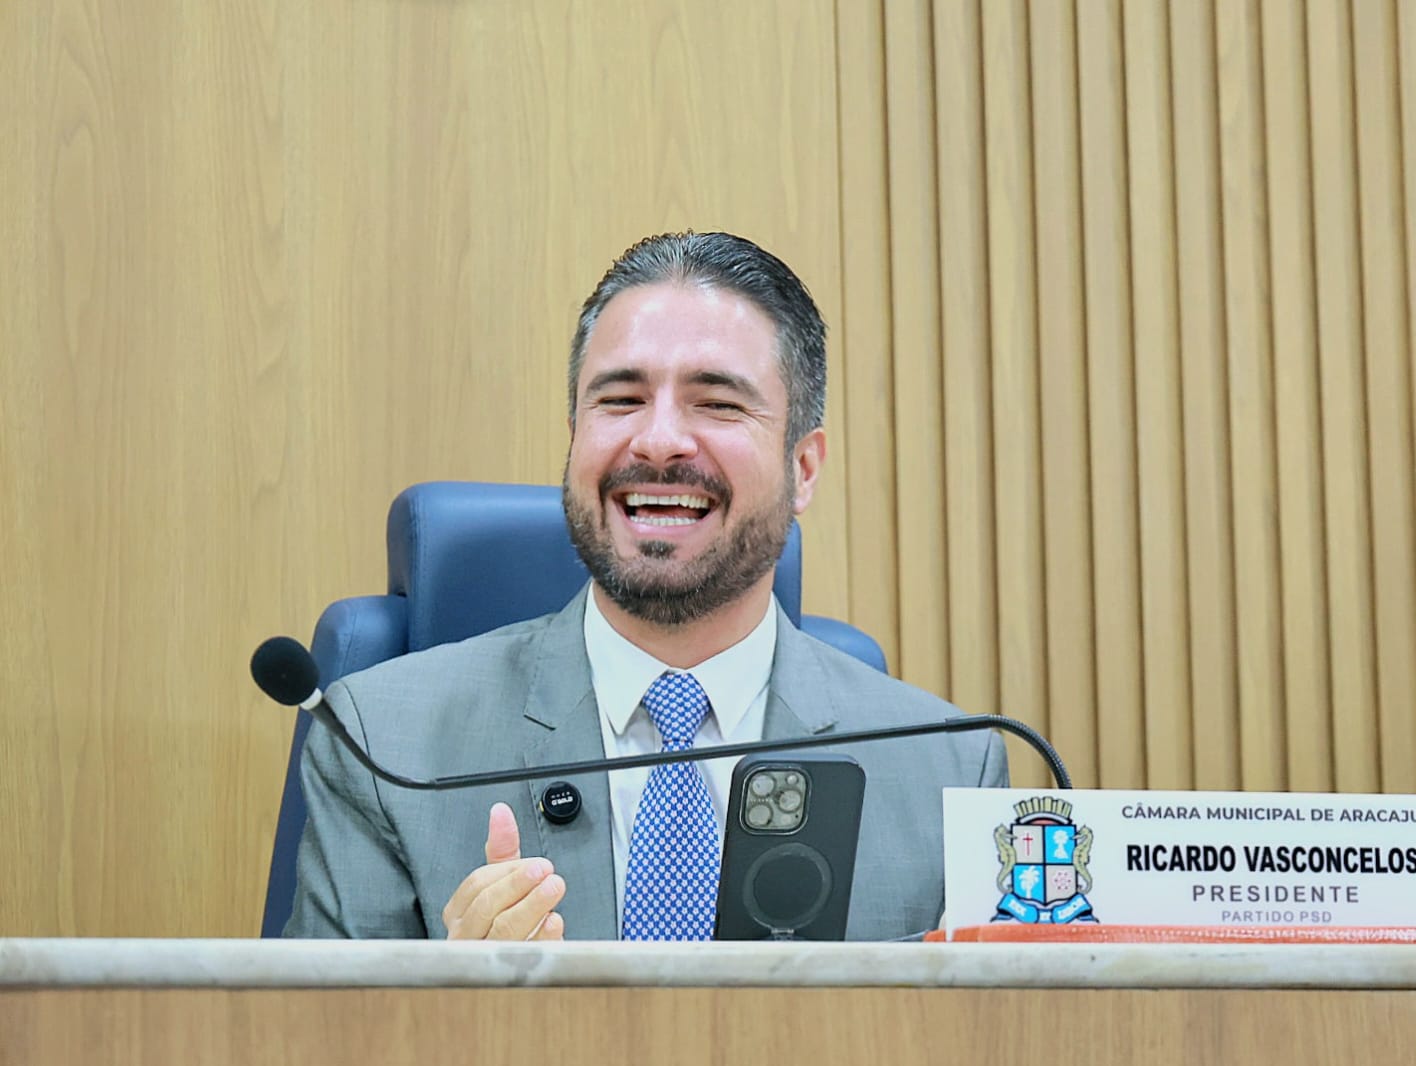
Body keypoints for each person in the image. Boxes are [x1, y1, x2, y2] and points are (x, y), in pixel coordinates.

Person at [285, 232, 1008, 941]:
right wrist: (449, 1006)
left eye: (718, 403)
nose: (659, 441)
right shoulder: (382, 746)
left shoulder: (950, 773)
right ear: (575, 437)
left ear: (803, 469)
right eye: (621, 399)